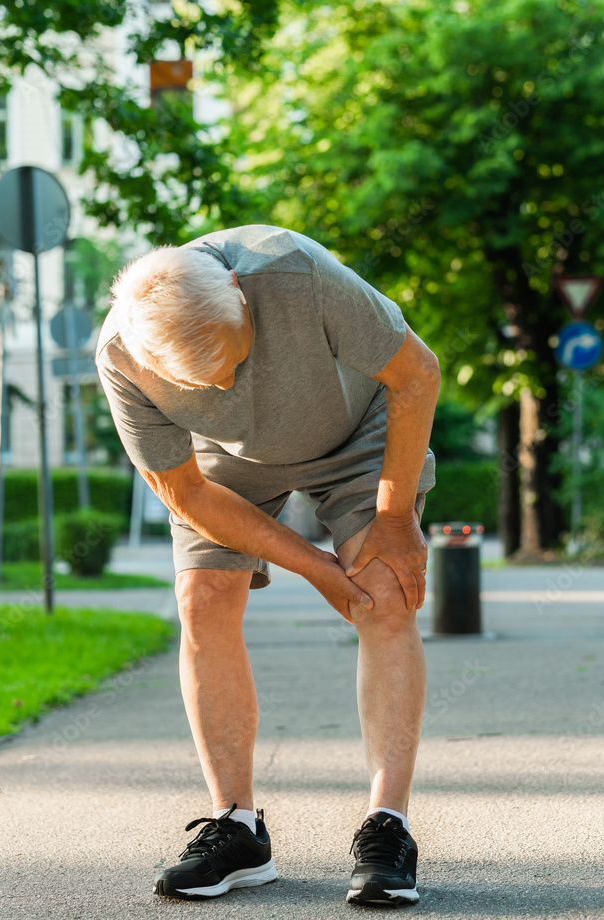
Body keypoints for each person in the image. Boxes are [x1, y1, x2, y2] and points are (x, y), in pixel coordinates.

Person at [96, 223, 439, 906]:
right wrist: (313, 565)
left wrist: (394, 520)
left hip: (356, 430)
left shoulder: (295, 273)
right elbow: (187, 490)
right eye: (206, 381)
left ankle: (386, 826)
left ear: (236, 293)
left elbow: (415, 373)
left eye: (232, 361)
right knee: (203, 599)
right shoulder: (120, 355)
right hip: (224, 465)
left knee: (382, 589)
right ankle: (236, 830)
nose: (225, 382)